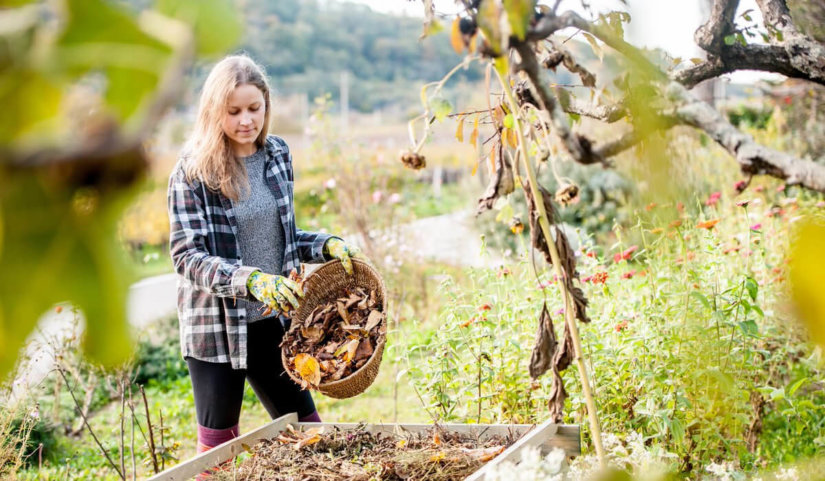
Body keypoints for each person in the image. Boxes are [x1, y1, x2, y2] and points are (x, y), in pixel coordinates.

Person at [166, 54, 364, 461]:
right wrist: (252, 281)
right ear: (213, 111)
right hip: (217, 333)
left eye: (254, 109)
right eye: (233, 111)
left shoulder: (276, 155)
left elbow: (282, 235)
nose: (246, 121)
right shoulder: (192, 172)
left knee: (310, 436)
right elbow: (186, 255)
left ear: (266, 106)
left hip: (273, 324)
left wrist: (325, 244)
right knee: (217, 454)